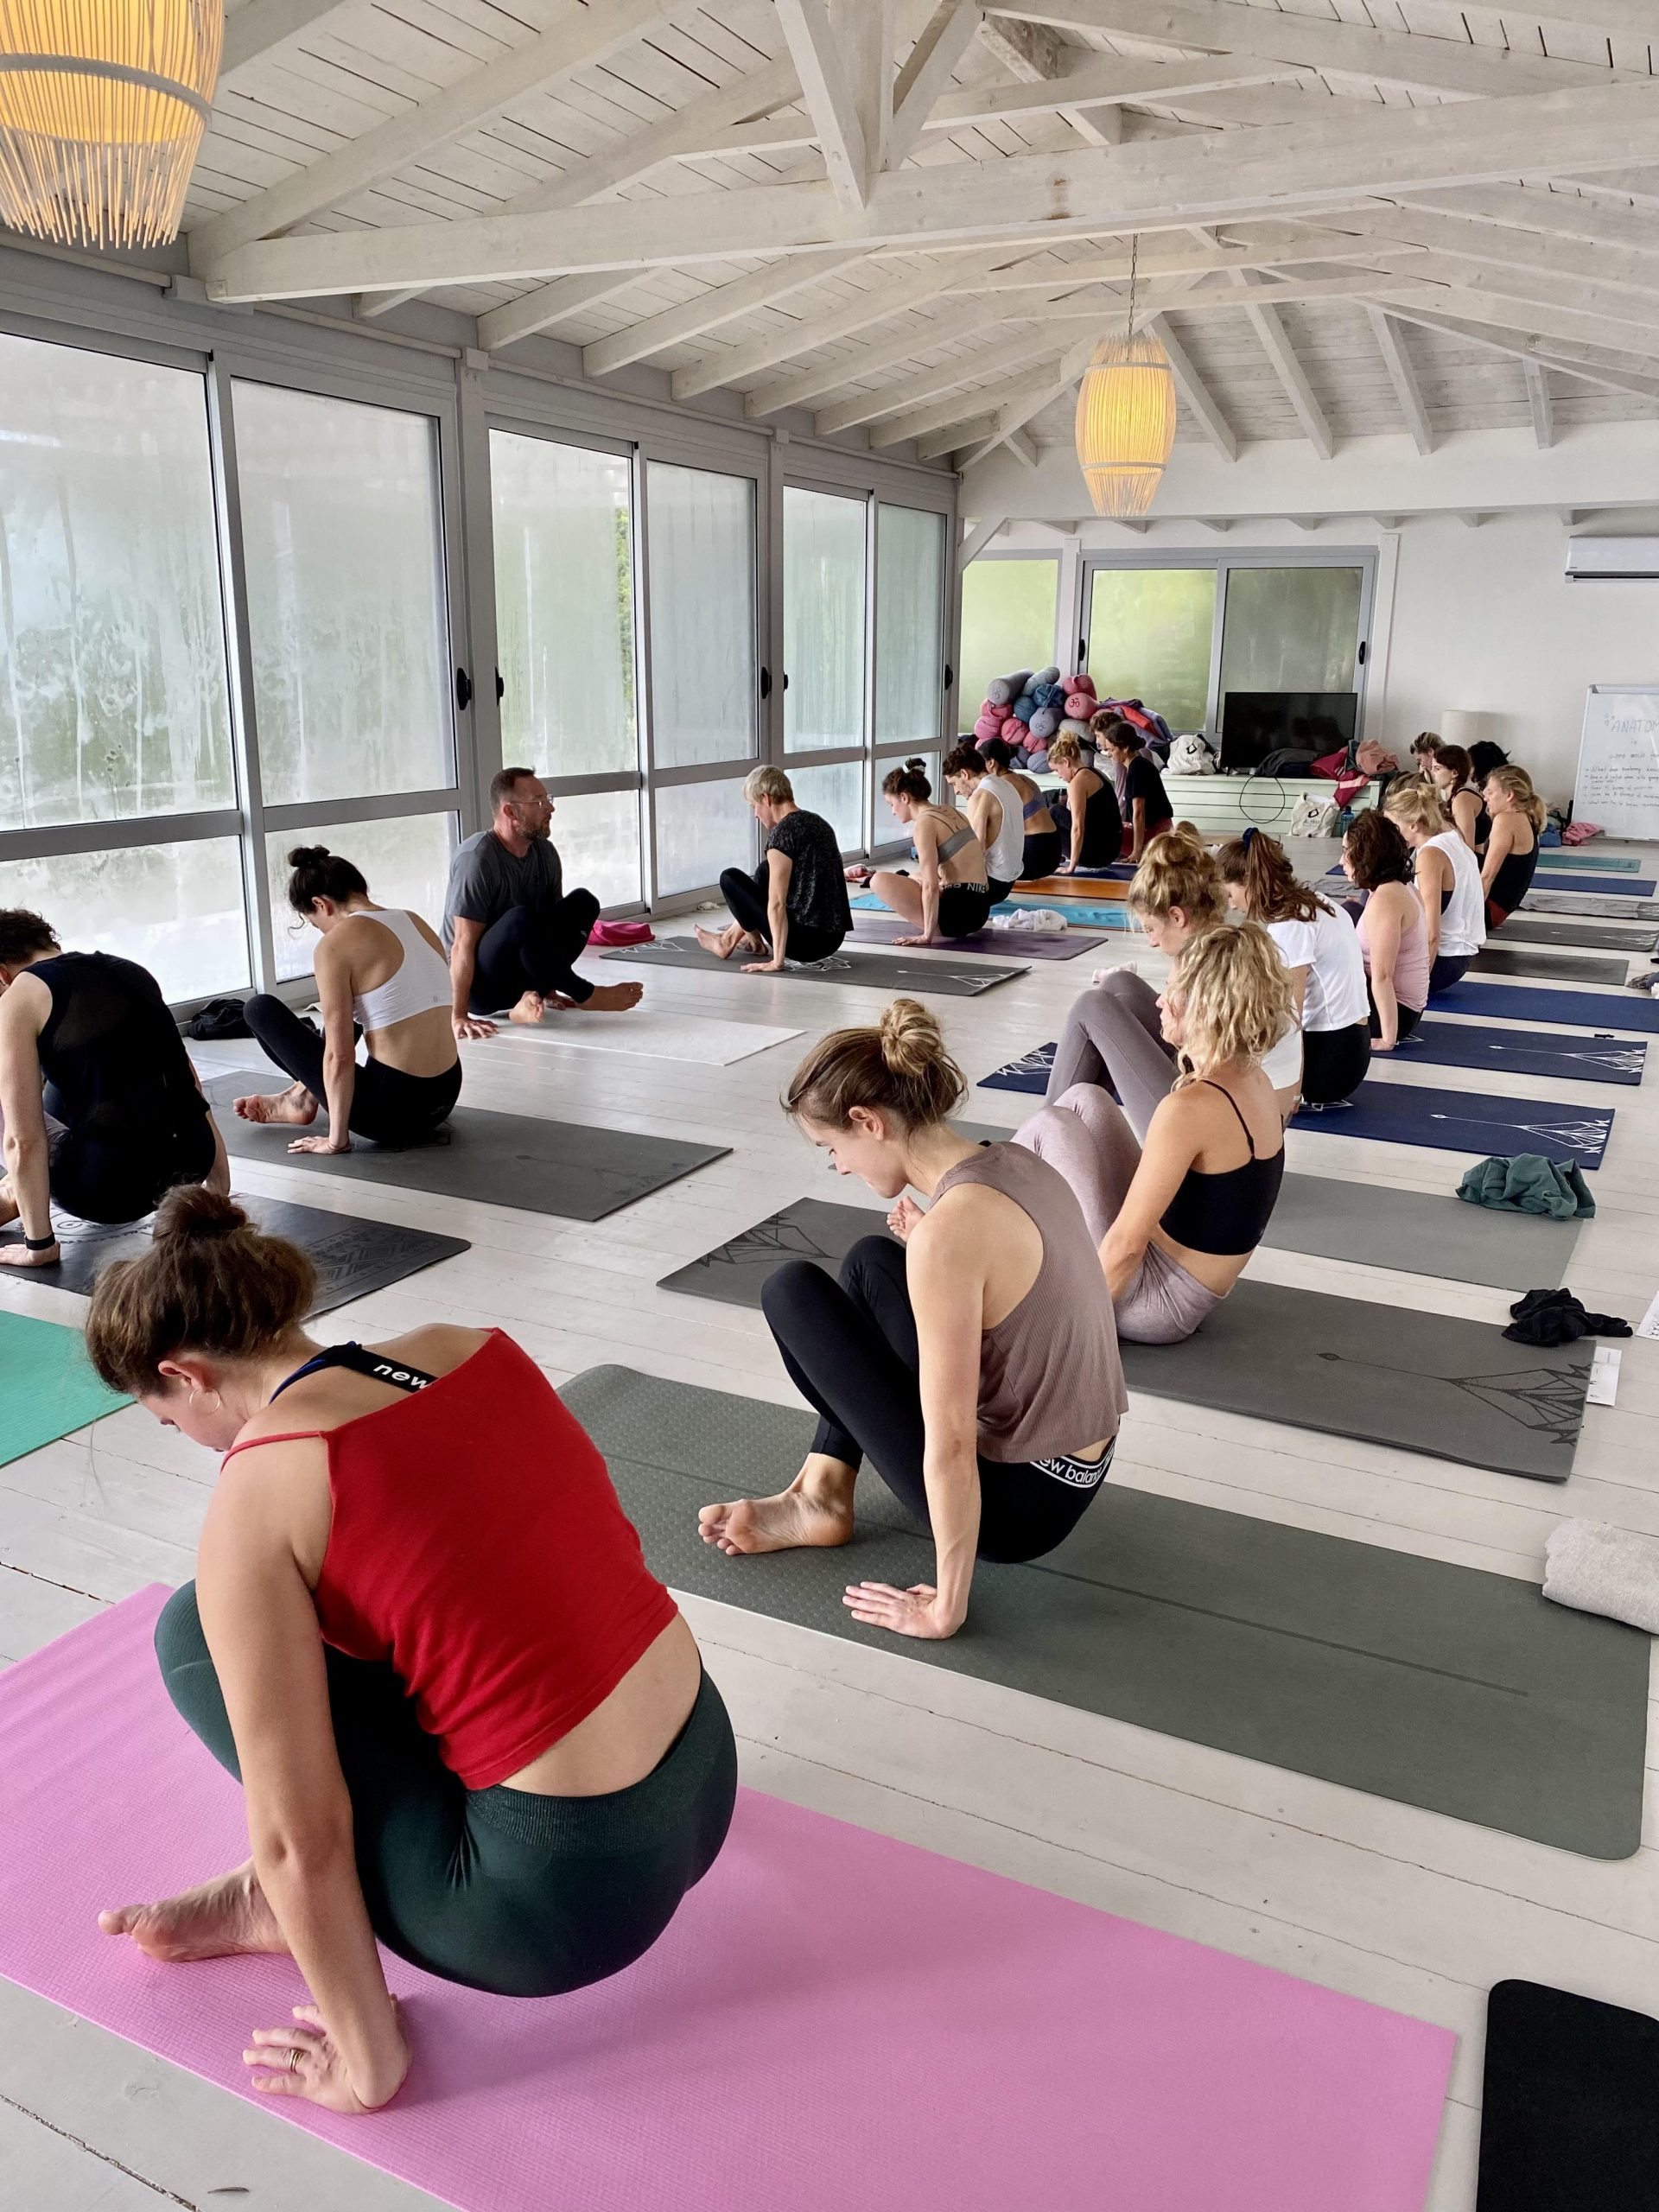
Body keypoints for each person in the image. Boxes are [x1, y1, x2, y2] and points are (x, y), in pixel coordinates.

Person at [87, 1189, 734, 2109]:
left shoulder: (263, 1489)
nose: (188, 1440)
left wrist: (367, 2064)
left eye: (168, 1419)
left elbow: (300, 1836)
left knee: (194, 1627)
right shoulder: (460, 1345)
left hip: (565, 1903)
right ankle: (280, 1903)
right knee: (348, 1594)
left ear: (185, 1374)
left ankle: (285, 1914)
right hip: (705, 1773)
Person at [698, 1001, 1126, 1640]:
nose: (840, 1166)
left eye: (832, 1148)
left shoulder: (950, 1235)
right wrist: (934, 1249)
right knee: (871, 1262)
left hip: (1021, 1511)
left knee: (792, 1292)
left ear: (867, 1121)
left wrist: (945, 1607)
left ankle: (823, 1498)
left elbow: (950, 1443)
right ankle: (823, 1491)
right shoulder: (1013, 1162)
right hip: (1081, 1464)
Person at [1014, 926, 1290, 1344]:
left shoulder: (1189, 1108)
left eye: (1171, 991)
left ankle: (978, 1215)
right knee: (1086, 1098)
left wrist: (1065, 1335)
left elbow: (1126, 1246)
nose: (1159, 1001)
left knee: (1054, 1124)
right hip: (1176, 1272)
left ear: (1205, 1007)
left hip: (1159, 1302)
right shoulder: (1253, 1078)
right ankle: (990, 1203)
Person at [0, 911, 227, 1268]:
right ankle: (17, 1190)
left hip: (108, 1191)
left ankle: (20, 1191)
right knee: (81, 1070)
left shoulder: (20, 996)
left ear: (2, 974)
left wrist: (39, 1245)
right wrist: (217, 1191)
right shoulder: (131, 971)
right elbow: (188, 1087)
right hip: (189, 1165)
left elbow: (22, 1140)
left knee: (21, 1100)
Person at [1044, 829, 1302, 1126]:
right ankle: (1062, 1131)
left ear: (1178, 917)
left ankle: (1043, 1137)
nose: (1151, 942)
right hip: (1243, 1102)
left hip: (1232, 1127)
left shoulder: (1214, 973)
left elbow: (1211, 1069)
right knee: (1118, 984)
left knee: (1092, 1007)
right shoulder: (1218, 945)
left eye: (1152, 929)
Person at [233, 849, 461, 1153]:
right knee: (354, 1007)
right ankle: (301, 1095)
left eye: (316, 924)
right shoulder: (414, 920)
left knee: (259, 1009)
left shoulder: (336, 944)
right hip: (445, 1096)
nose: (322, 933)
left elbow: (338, 1056)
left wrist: (336, 1141)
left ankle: (302, 1099)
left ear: (321, 904)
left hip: (392, 1113)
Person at [442, 767, 641, 1037]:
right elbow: (462, 945)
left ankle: (529, 1000)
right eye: (538, 802)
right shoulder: (477, 859)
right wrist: (458, 1015)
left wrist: (550, 988)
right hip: (481, 988)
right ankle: (586, 994)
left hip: (524, 974)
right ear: (510, 811)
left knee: (584, 903)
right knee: (519, 919)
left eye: (548, 799)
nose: (550, 808)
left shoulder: (544, 853)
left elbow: (549, 930)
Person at [1218, 829, 1371, 1107]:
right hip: (1351, 1047)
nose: (1231, 904)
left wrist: (1292, 1092)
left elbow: (1292, 1015)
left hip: (1332, 1061)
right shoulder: (1314, 901)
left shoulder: (1290, 925)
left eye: (1230, 894)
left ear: (1249, 881)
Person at [694, 766, 851, 971]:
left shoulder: (782, 835)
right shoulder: (819, 823)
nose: (755, 815)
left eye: (754, 806)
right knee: (764, 871)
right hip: (833, 938)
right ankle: (746, 940)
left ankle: (729, 940)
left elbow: (776, 904)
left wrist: (777, 962)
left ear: (765, 798)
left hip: (805, 943)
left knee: (730, 878)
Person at [868, 761, 994, 944]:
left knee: (878, 880)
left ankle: (933, 927)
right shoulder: (949, 810)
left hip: (958, 915)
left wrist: (926, 936)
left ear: (904, 798)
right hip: (981, 908)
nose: (893, 811)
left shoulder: (924, 823)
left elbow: (930, 886)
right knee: (913, 875)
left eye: (891, 804)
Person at [1383, 779, 1486, 993]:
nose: (1389, 835)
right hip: (1459, 957)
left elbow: (1431, 934)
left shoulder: (1430, 854)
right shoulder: (1451, 837)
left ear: (1414, 825)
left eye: (1393, 827)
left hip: (1443, 960)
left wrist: (1418, 988)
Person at [1340, 811, 1428, 1051]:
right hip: (1400, 1007)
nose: (1341, 861)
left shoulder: (1387, 899)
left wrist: (1388, 1039)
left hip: (1392, 1013)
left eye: (1346, 851)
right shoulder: (1398, 886)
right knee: (1348, 911)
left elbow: (1383, 976)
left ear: (1365, 855)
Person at [944, 744, 1025, 902]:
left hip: (990, 885)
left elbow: (974, 851)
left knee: (923, 883)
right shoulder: (1007, 785)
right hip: (1008, 882)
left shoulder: (981, 796)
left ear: (964, 773)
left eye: (953, 783)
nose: (956, 791)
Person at [980, 734, 1062, 880]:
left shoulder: (1004, 785)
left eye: (981, 764)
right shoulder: (1024, 779)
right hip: (1053, 849)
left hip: (1036, 855)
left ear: (991, 763)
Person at [1095, 716, 1173, 863]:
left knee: (1100, 833)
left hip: (1156, 835)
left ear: (1125, 748)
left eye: (1112, 750)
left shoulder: (1137, 770)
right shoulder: (1136, 765)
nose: (1109, 754)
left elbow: (1139, 813)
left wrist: (1137, 851)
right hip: (1157, 829)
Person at [1047, 731, 1124, 873]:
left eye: (1057, 770)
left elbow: (1078, 828)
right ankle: (1057, 857)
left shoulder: (1077, 783)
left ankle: (1050, 860)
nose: (1059, 776)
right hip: (1111, 850)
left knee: (1054, 812)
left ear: (1066, 762)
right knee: (1057, 812)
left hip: (1097, 855)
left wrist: (1071, 867)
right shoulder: (1095, 773)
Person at [1481, 766, 1545, 926]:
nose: (1485, 797)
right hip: (1498, 909)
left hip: (1489, 910)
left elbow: (1487, 877)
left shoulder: (1506, 820)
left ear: (1509, 795)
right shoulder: (1526, 819)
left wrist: (1470, 918)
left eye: (1490, 792)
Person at [1427, 744, 1485, 851]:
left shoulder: (1462, 797)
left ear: (1454, 773)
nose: (1432, 773)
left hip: (1473, 859)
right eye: (1432, 768)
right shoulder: (1452, 796)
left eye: (1437, 768)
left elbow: (1467, 846)